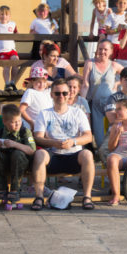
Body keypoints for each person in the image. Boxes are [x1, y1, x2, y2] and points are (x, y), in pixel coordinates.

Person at [31, 79, 95, 211]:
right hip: (52, 155)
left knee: (87, 154)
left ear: (69, 94)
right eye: (57, 93)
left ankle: (87, 197)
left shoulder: (78, 112)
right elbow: (38, 138)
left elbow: (88, 136)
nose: (61, 96)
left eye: (64, 93)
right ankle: (39, 197)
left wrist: (73, 141)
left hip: (73, 155)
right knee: (39, 154)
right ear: (51, 95)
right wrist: (54, 143)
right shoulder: (44, 113)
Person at [0, 104, 36, 202]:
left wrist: (15, 144)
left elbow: (31, 150)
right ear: (4, 122)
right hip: (4, 162)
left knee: (17, 154)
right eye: (13, 122)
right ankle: (1, 188)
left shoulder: (24, 131)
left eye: (19, 121)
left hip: (21, 163)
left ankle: (15, 189)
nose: (17, 124)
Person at [81, 40, 123, 148]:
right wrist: (81, 103)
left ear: (111, 51)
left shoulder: (114, 65)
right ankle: (102, 154)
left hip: (111, 104)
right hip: (96, 104)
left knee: (114, 133)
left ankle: (113, 154)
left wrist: (117, 83)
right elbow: (85, 84)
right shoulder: (90, 63)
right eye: (100, 49)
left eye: (105, 49)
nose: (102, 52)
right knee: (99, 138)